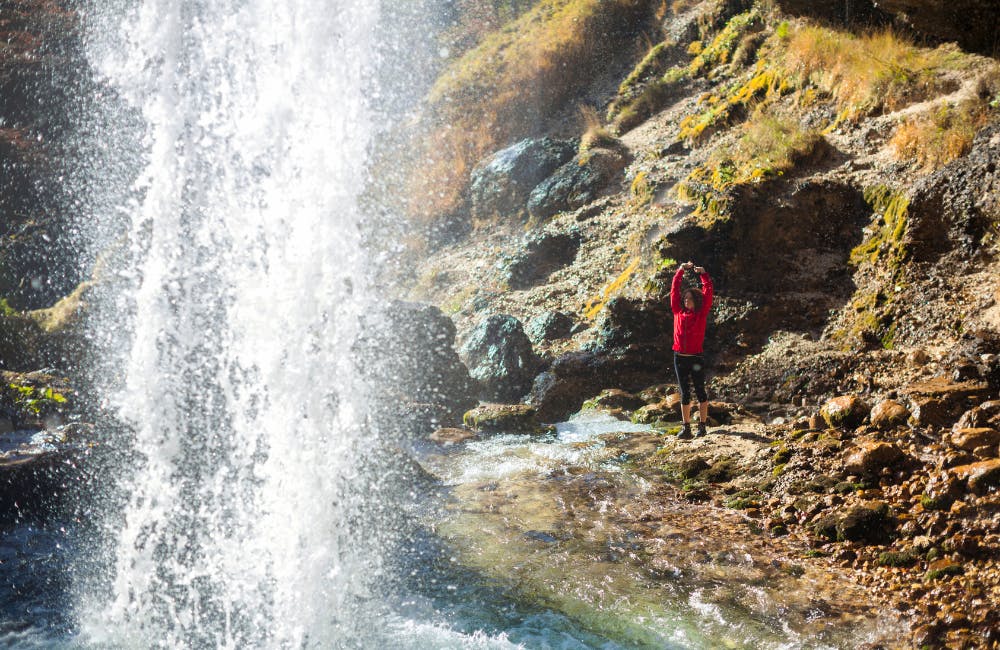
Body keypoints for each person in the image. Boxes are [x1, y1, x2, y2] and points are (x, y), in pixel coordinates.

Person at [670, 261, 713, 439]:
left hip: (696, 358)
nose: (686, 300)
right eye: (685, 298)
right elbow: (674, 290)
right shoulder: (677, 312)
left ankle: (702, 427)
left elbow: (708, 292)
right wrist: (680, 271)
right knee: (685, 393)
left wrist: (703, 275)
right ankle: (686, 427)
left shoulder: (701, 314)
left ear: (695, 301)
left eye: (689, 298)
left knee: (700, 391)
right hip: (679, 358)